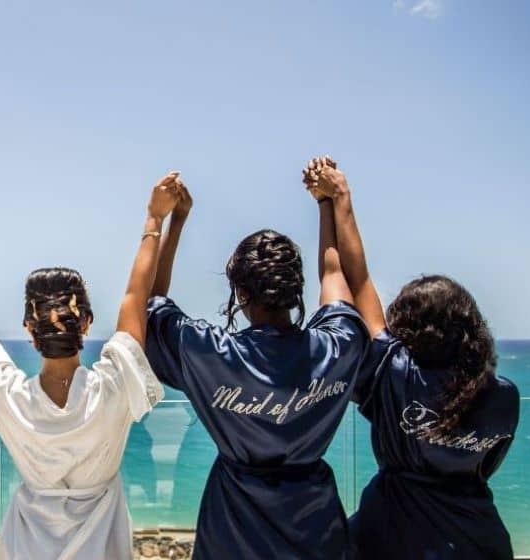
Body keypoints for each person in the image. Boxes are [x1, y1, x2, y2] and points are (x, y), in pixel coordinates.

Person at [0, 173, 180, 559]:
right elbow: (137, 296)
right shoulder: (114, 384)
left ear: (28, 327)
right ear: (86, 321)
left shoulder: (10, 396)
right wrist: (158, 219)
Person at [304, 156, 520, 559]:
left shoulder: (393, 374)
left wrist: (335, 199)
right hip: (479, 541)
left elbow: (358, 279)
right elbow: (484, 467)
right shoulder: (504, 396)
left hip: (392, 535)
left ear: (407, 328)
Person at [144, 174, 368, 559]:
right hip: (316, 531)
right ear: (295, 291)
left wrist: (173, 221)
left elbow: (149, 305)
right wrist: (326, 203)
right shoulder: (337, 347)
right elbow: (335, 275)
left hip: (233, 531)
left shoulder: (210, 354)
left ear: (241, 293)